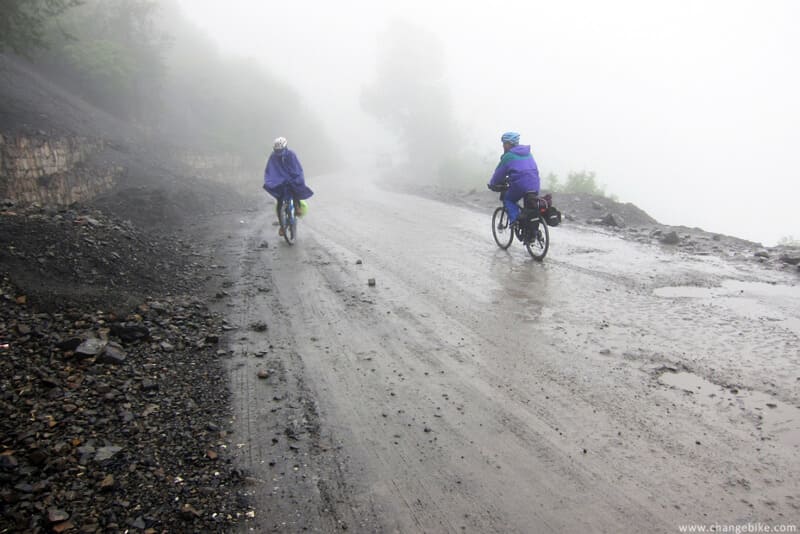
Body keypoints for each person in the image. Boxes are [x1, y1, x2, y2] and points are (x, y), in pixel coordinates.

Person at [263, 136, 314, 236]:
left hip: (291, 177)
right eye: (277, 150)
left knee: (295, 189)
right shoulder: (273, 156)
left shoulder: (291, 154)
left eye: (280, 150)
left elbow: (296, 168)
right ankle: (282, 226)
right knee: (280, 202)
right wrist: (272, 180)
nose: (278, 152)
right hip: (280, 179)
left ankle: (297, 207)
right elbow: (271, 170)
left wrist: (295, 177)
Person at [487, 131, 540, 225]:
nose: (503, 146)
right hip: (535, 185)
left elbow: (499, 174)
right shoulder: (528, 153)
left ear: (508, 144)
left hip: (520, 185)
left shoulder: (508, 156)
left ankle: (516, 221)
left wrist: (492, 184)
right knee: (529, 208)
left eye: (504, 143)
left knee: (508, 199)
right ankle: (531, 233)